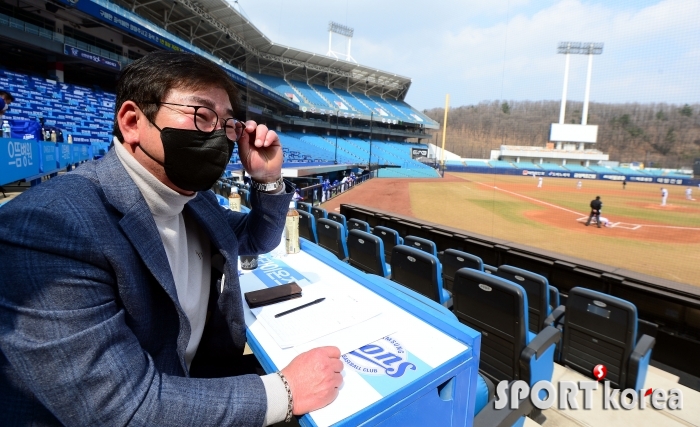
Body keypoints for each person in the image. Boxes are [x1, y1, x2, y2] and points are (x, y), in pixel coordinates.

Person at [0, 52, 342, 425]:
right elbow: (121, 409)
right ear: (132, 122)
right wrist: (286, 391)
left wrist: (267, 180)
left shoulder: (194, 198)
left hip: (191, 378)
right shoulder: (48, 227)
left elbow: (256, 240)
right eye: (201, 115)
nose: (218, 134)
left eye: (228, 124)